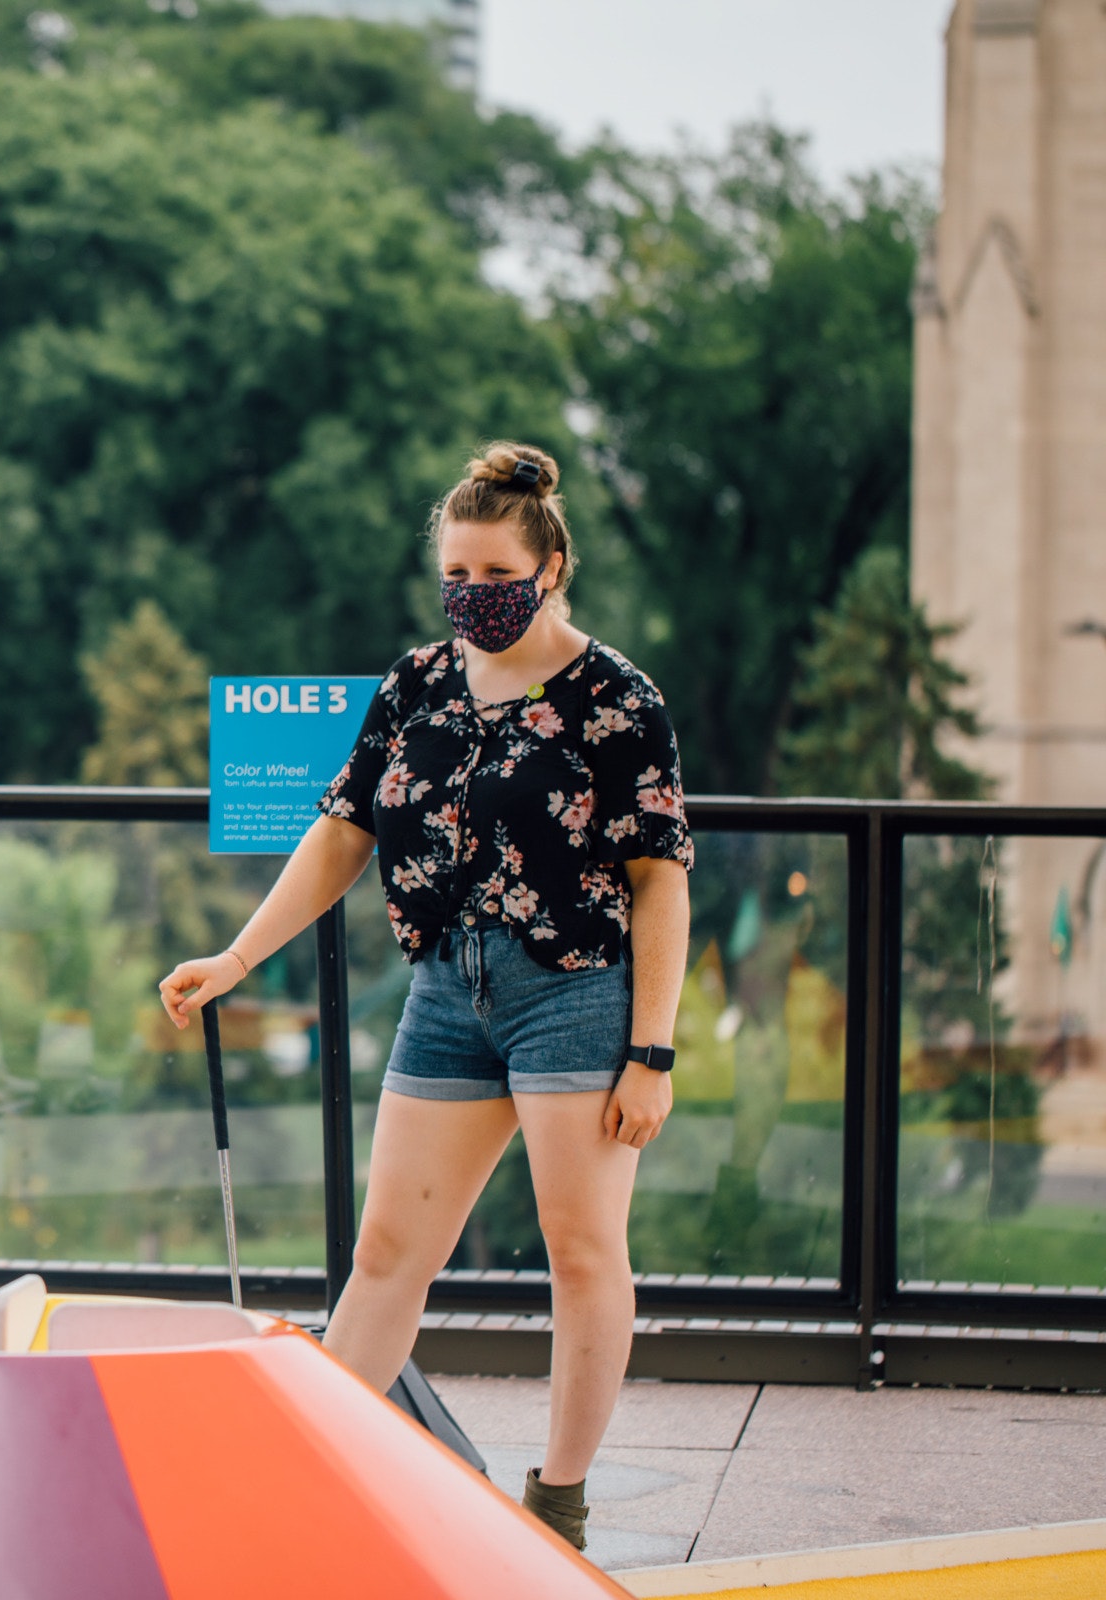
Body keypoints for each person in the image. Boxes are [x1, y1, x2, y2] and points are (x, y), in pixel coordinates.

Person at [158, 443, 690, 1554]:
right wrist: (238, 958)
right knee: (390, 1252)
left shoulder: (616, 697)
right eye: (454, 573)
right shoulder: (417, 683)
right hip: (449, 988)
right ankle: (323, 1482)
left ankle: (560, 1503)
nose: (470, 595)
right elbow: (341, 833)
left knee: (580, 1248)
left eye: (492, 572)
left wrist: (653, 1048)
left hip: (574, 994)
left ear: (550, 568)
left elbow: (660, 880)